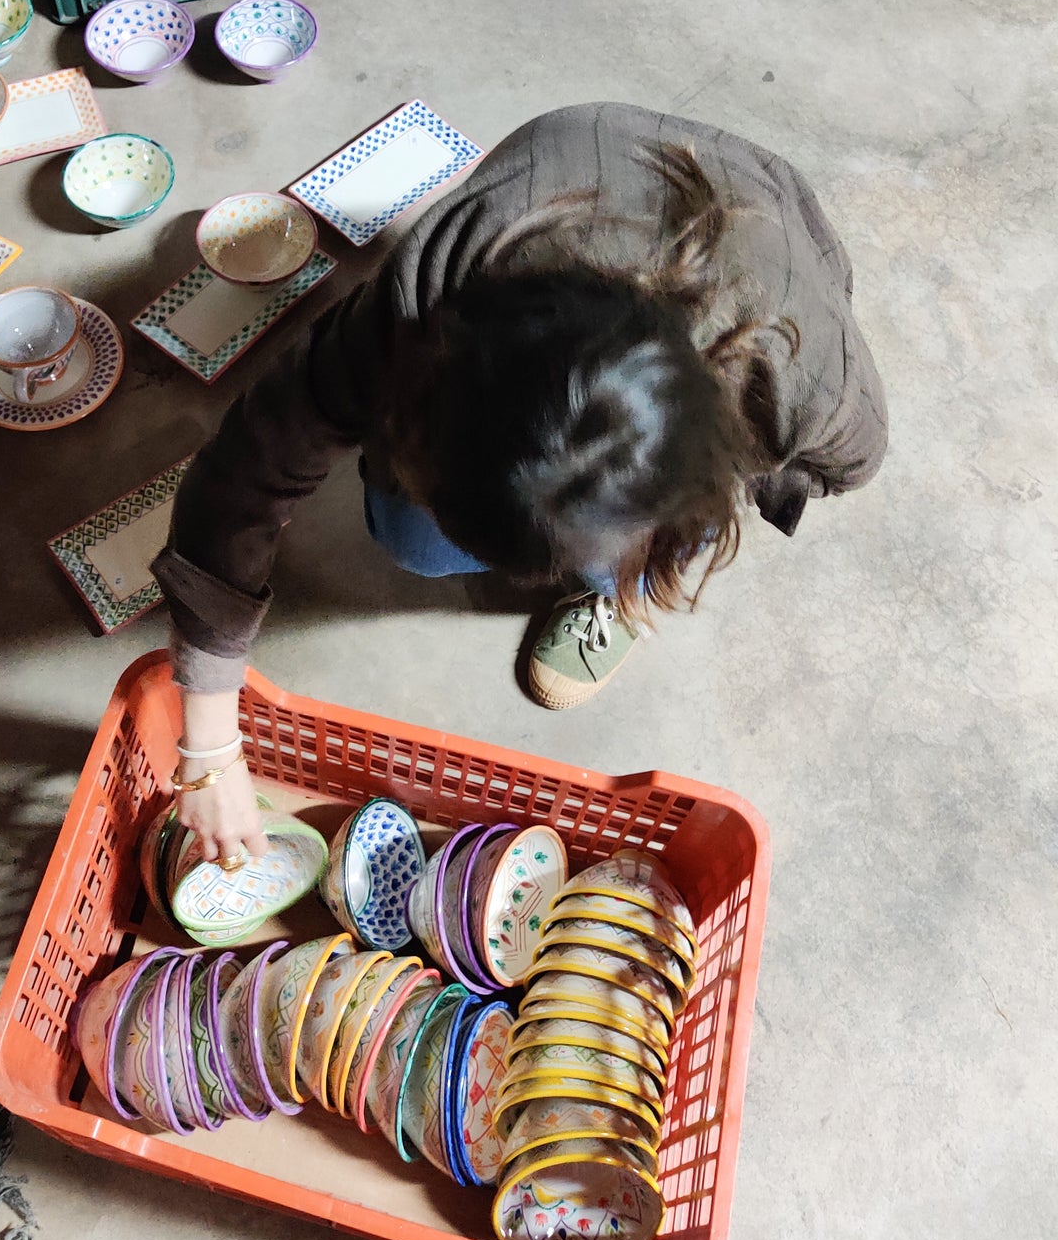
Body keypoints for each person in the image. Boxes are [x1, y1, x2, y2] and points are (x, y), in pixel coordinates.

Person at [151, 102, 887, 870]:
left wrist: (721, 494)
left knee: (631, 554)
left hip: (763, 217)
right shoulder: (419, 308)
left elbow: (846, 466)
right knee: (411, 541)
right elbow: (242, 471)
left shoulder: (801, 372)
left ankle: (620, 572)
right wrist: (209, 748)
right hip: (572, 153)